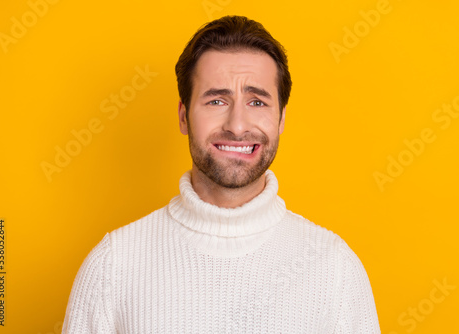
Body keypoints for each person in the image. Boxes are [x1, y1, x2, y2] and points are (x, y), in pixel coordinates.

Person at [62, 15, 381, 333]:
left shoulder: (335, 268)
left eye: (257, 101)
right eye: (216, 100)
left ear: (281, 119)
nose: (237, 125)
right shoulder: (112, 266)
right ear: (184, 116)